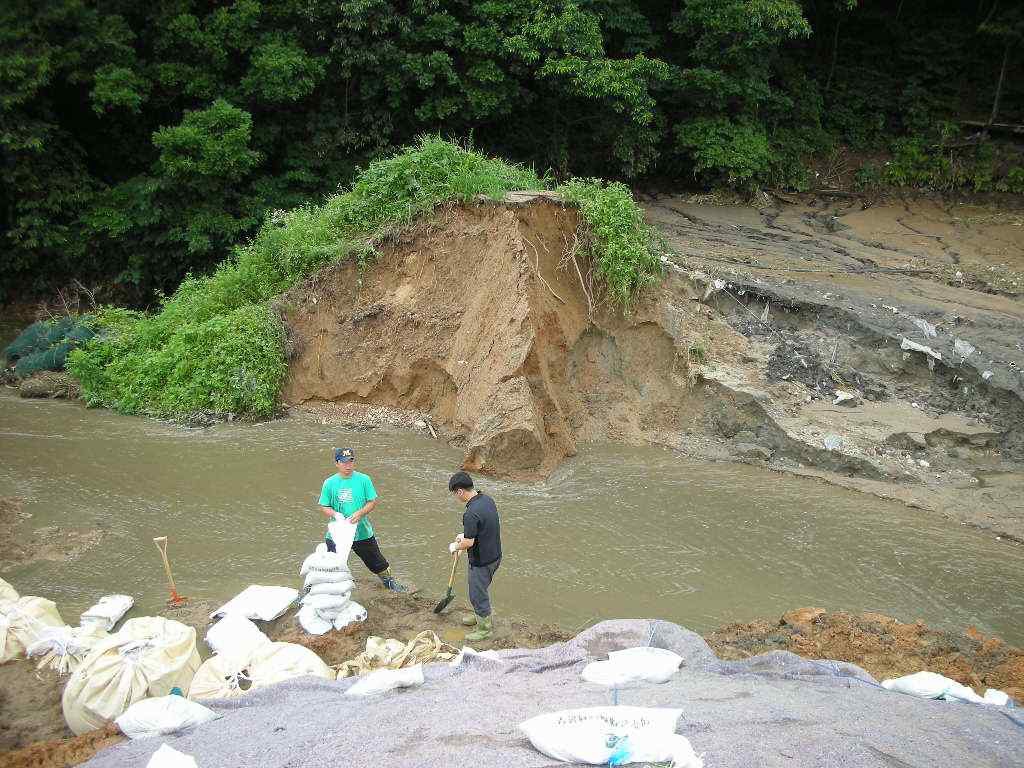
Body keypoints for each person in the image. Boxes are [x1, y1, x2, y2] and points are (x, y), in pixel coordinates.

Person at [318, 447, 408, 592]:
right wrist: (335, 515)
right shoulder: (329, 483)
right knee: (333, 565)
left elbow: (372, 502)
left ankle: (389, 582)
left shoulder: (364, 480)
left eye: (350, 461)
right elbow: (324, 506)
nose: (348, 465)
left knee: (377, 562)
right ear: (337, 463)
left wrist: (360, 513)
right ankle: (330, 590)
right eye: (344, 462)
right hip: (337, 533)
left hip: (362, 531)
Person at [447, 471, 501, 641]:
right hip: (495, 555)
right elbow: (482, 527)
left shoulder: (470, 513)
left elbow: (469, 543)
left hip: (481, 561)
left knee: (477, 594)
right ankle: (479, 615)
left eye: (455, 494)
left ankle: (485, 628)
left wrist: (456, 545)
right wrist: (464, 535)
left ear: (460, 491)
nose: (456, 498)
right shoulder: (486, 499)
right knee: (481, 588)